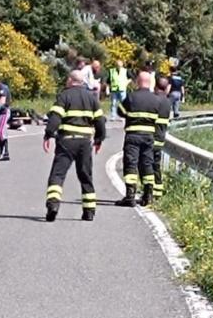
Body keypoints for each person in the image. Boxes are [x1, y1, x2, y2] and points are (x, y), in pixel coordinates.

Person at [43, 70, 106, 221]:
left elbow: (55, 117)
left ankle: (53, 205)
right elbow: (100, 121)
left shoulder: (64, 95)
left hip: (66, 141)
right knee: (85, 176)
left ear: (71, 80)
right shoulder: (92, 98)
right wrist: (99, 139)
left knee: (57, 175)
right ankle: (89, 211)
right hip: (84, 143)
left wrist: (48, 134)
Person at [116, 71, 168, 207]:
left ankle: (130, 196)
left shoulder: (131, 97)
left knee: (131, 164)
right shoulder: (156, 100)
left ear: (138, 82)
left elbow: (120, 111)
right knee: (147, 165)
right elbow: (158, 118)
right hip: (149, 137)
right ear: (150, 83)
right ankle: (148, 195)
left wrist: (130, 115)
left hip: (133, 136)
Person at [151, 74, 173, 202]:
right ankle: (158, 192)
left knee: (147, 165)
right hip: (160, 137)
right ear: (166, 88)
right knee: (156, 165)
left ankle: (149, 192)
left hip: (150, 136)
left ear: (155, 86)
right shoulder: (167, 102)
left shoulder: (153, 100)